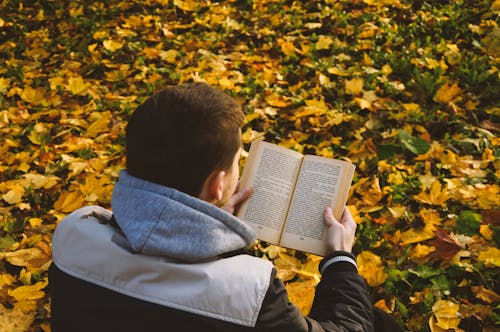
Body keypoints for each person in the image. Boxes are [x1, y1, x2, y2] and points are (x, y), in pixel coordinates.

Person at [49, 82, 400, 331]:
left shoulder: (72, 235)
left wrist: (210, 228)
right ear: (218, 185)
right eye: (237, 164)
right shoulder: (248, 292)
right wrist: (340, 259)